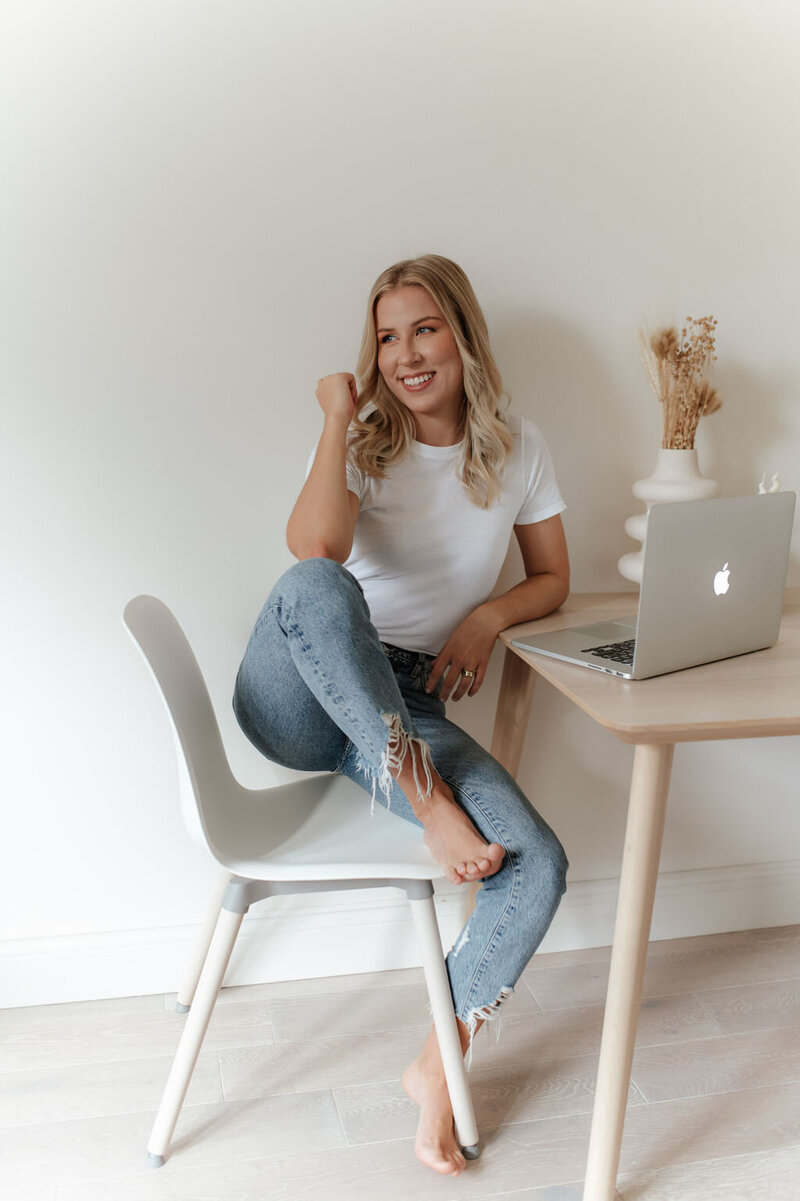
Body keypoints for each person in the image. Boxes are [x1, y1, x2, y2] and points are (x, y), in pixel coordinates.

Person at [233, 253, 570, 1176]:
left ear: (462, 334)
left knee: (536, 857)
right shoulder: (365, 440)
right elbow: (315, 551)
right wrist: (338, 417)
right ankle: (427, 799)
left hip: (403, 700)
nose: (407, 354)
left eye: (424, 329)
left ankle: (437, 1061)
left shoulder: (519, 448)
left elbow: (553, 577)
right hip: (303, 694)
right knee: (315, 583)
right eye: (387, 337)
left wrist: (486, 617)